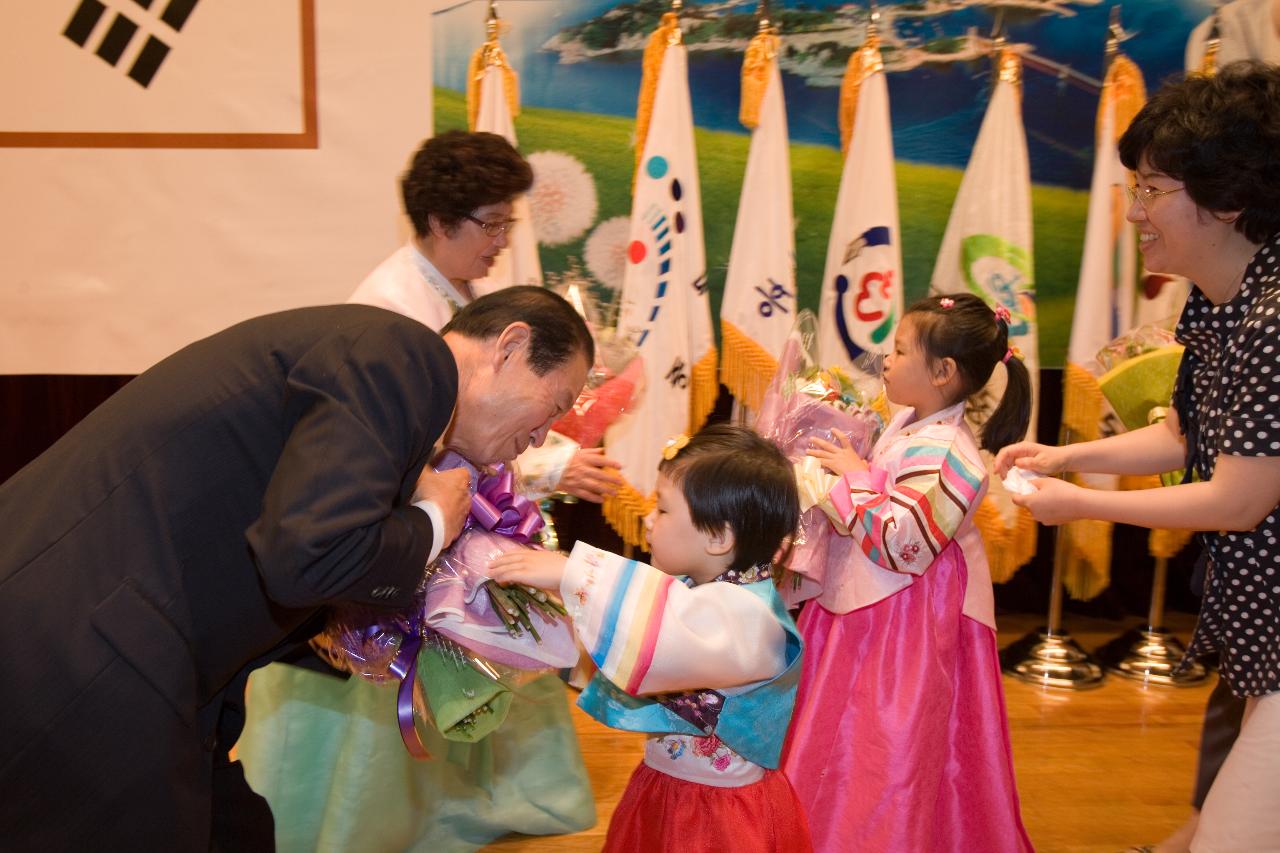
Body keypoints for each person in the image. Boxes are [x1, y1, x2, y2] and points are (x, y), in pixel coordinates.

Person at [0, 287, 592, 852]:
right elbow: (309, 554)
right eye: (555, 405)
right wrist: (435, 521)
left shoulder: (391, 381)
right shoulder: (405, 356)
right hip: (85, 647)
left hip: (137, 648)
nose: (542, 437)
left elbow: (285, 539)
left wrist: (385, 633)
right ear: (509, 346)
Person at [237, 131, 604, 852]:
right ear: (441, 222)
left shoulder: (452, 289)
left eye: (508, 223)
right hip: (381, 535)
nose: (503, 239)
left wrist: (546, 463)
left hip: (426, 519)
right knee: (366, 693)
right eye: (491, 223)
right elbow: (451, 439)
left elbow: (487, 418)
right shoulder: (391, 309)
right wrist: (540, 472)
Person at [997, 62, 1280, 852]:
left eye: (1153, 190)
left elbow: (1237, 497)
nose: (1133, 213)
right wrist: (1063, 456)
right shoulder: (1223, 304)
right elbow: (1186, 436)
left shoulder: (1272, 318)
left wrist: (1079, 503)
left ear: (1226, 197)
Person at [783, 293, 1035, 852]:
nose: (886, 361)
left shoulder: (955, 457)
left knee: (888, 746)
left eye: (899, 351)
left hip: (909, 630)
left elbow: (903, 545)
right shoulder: (908, 421)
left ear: (943, 372)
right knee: (837, 733)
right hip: (866, 611)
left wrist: (851, 476)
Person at [489, 424, 813, 853]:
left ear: (718, 536)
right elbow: (634, 633)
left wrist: (573, 574)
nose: (647, 519)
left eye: (662, 510)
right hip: (669, 788)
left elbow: (664, 638)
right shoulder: (700, 591)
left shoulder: (752, 617)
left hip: (719, 819)